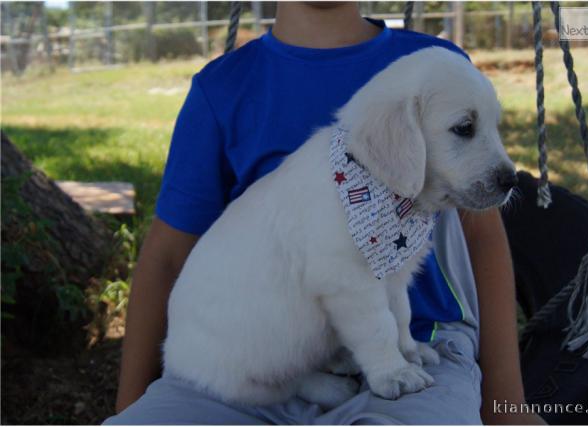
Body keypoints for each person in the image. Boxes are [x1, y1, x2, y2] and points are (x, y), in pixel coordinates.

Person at [105, 2, 545, 424]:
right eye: (464, 130)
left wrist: (506, 402)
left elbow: (482, 237)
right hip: (242, 370)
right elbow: (166, 255)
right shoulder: (222, 89)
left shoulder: (434, 66)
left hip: (421, 354)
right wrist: (128, 409)